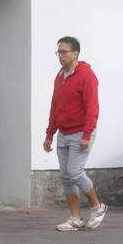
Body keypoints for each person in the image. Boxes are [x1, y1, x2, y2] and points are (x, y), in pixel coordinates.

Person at [43, 36, 107, 231]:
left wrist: (87, 134)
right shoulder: (60, 76)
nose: (60, 56)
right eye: (58, 52)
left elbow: (92, 108)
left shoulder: (86, 76)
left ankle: (98, 207)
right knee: (66, 176)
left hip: (81, 132)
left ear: (76, 53)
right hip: (64, 132)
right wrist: (49, 134)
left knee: (74, 171)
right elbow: (55, 106)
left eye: (64, 52)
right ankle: (76, 218)